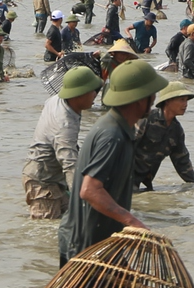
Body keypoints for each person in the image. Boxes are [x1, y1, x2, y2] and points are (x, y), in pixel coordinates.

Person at [59, 61, 165, 264]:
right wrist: (132, 221)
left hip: (101, 243)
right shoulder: (112, 135)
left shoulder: (121, 129)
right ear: (138, 99)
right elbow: (89, 190)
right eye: (151, 95)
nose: (153, 100)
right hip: (86, 247)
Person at [25, 66, 99, 219]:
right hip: (43, 182)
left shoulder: (56, 99)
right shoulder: (64, 125)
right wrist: (84, 198)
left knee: (66, 219)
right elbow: (69, 164)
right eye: (92, 91)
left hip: (53, 177)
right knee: (44, 233)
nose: (95, 96)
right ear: (78, 95)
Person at [134, 82, 194, 191]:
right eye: (182, 100)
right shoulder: (146, 119)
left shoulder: (177, 130)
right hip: (124, 177)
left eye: (186, 100)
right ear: (168, 101)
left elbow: (182, 161)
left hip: (145, 181)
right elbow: (124, 147)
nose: (186, 104)